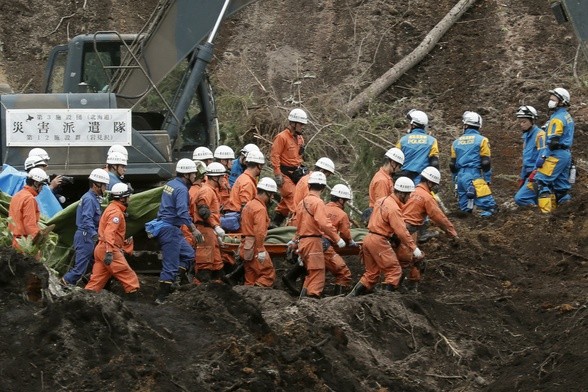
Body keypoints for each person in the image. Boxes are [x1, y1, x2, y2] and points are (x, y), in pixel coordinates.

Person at [348, 177, 424, 296]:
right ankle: (386, 303)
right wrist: (414, 249)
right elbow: (402, 231)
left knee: (371, 274)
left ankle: (348, 300)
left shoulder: (381, 201)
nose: (409, 198)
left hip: (368, 239)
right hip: (379, 241)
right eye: (408, 195)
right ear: (402, 193)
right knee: (394, 271)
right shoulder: (394, 208)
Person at [152, 159, 204, 304]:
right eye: (193, 174)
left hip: (167, 227)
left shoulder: (170, 184)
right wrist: (193, 230)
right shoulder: (181, 190)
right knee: (171, 265)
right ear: (186, 175)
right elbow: (182, 212)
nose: (195, 176)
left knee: (188, 254)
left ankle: (175, 282)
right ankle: (161, 297)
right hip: (170, 230)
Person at [400, 167, 458, 292]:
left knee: (411, 259)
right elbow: (439, 217)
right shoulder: (426, 197)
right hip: (408, 231)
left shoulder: (410, 191)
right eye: (435, 184)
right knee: (412, 260)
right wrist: (452, 233)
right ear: (430, 182)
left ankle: (406, 287)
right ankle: (405, 289)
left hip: (400, 228)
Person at [293, 171, 346, 298]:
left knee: (311, 274)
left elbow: (297, 225)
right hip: (313, 241)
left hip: (303, 242)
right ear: (323, 187)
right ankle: (310, 306)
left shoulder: (302, 203)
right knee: (317, 275)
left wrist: (295, 241)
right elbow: (324, 224)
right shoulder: (317, 203)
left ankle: (302, 302)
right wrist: (337, 238)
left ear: (309, 185)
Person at [85, 183, 139, 299]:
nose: (129, 199)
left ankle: (82, 302)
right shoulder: (116, 213)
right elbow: (110, 233)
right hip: (109, 249)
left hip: (101, 248)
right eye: (128, 197)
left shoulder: (111, 209)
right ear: (122, 198)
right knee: (129, 278)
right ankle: (134, 308)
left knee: (95, 282)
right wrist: (109, 251)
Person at [61, 169, 110, 287]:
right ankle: (64, 283)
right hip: (85, 236)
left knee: (94, 264)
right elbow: (87, 219)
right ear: (95, 185)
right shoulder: (89, 199)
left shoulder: (92, 198)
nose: (105, 188)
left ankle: (90, 285)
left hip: (86, 236)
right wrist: (94, 234)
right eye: (103, 185)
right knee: (79, 269)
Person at [533, 88, 575, 212]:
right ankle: (567, 216)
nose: (550, 101)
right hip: (565, 154)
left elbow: (553, 142)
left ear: (562, 102)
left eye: (553, 99)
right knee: (561, 188)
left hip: (556, 154)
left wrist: (544, 156)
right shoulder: (567, 116)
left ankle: (546, 216)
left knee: (541, 182)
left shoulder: (557, 119)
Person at [450, 111, 497, 217]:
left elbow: (452, 165)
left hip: (460, 176)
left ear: (465, 125)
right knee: (490, 207)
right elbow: (486, 162)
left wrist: (455, 180)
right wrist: (487, 179)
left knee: (465, 210)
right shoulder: (482, 140)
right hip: (474, 175)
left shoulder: (456, 142)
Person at [270, 108, 307, 227]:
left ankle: (274, 224)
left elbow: (299, 157)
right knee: (295, 199)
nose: (302, 127)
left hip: (296, 174)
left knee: (286, 203)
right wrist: (277, 174)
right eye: (300, 124)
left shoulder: (300, 139)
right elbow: (274, 156)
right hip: (284, 175)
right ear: (293, 123)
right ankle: (298, 227)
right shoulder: (281, 137)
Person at [239, 177, 278, 287]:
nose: (273, 197)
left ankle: (247, 298)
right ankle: (257, 298)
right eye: (272, 194)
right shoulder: (260, 208)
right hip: (255, 247)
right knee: (268, 273)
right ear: (267, 193)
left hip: (246, 246)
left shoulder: (249, 204)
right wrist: (261, 250)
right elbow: (259, 231)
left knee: (250, 276)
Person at [193, 162, 226, 282]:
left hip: (209, 231)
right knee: (204, 267)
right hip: (205, 231)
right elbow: (203, 210)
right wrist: (216, 226)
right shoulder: (206, 191)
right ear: (215, 177)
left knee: (216, 265)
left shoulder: (210, 190)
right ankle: (195, 294)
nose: (224, 180)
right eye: (222, 177)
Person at [222, 150, 265, 231]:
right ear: (259, 165)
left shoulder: (244, 178)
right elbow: (245, 208)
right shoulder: (247, 182)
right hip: (239, 219)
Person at [8, 168, 50, 250]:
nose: (42, 189)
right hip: (24, 243)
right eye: (42, 185)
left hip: (15, 241)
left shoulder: (17, 195)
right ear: (36, 183)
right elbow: (29, 224)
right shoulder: (29, 199)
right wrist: (38, 239)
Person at [513, 105, 547, 206]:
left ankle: (535, 212)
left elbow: (543, 156)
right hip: (528, 174)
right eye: (520, 122)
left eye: (524, 121)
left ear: (532, 121)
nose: (521, 124)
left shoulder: (540, 135)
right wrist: (523, 178)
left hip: (537, 175)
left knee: (520, 198)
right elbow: (526, 161)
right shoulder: (526, 138)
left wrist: (535, 172)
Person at [362, 147, 404, 225]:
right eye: (399, 166)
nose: (399, 170)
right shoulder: (382, 181)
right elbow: (383, 206)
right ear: (393, 163)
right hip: (381, 220)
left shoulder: (386, 177)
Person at [396, 109, 439, 183]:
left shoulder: (402, 140)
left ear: (413, 124)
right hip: (422, 182)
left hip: (404, 181)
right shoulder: (432, 141)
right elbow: (434, 163)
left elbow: (395, 161)